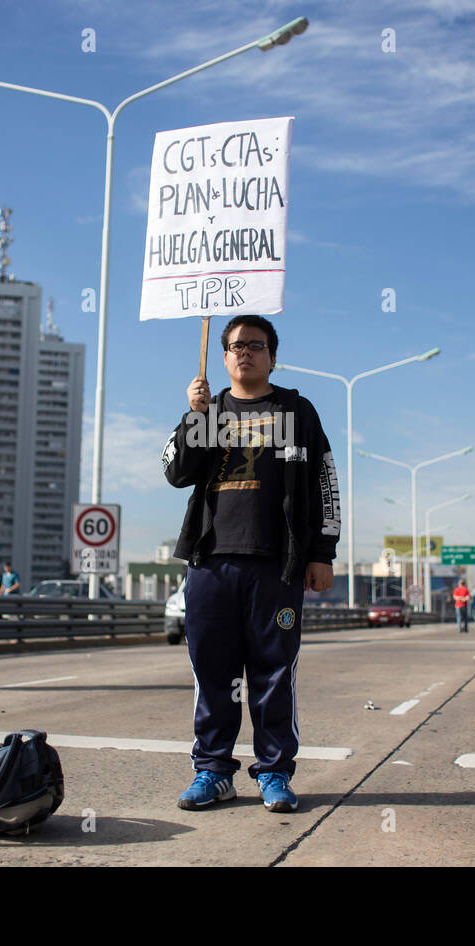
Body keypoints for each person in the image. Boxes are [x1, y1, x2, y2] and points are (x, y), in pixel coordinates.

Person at [163, 315, 338, 814]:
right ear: (222, 359)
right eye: (236, 346)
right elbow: (176, 472)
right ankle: (213, 772)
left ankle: (275, 772)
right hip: (210, 564)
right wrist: (192, 415)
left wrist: (322, 552)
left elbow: (324, 482)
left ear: (272, 357)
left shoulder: (297, 410)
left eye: (256, 346)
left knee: (273, 674)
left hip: (275, 566)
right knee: (213, 674)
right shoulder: (209, 410)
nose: (245, 353)